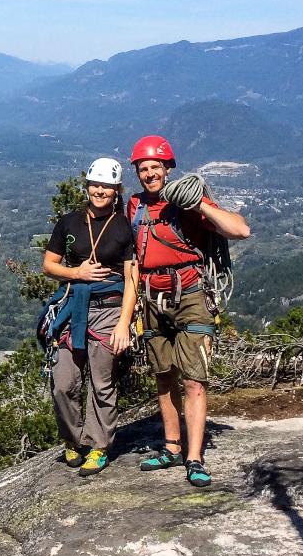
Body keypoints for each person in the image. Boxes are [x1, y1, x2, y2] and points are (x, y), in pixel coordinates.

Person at [127, 134, 250, 488]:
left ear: (167, 169)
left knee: (194, 379)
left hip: (191, 294)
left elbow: (240, 229)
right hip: (151, 297)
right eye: (143, 168)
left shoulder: (188, 203)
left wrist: (200, 205)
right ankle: (171, 446)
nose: (149, 174)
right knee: (163, 376)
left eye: (155, 167)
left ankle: (194, 457)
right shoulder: (133, 206)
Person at [40, 157, 137, 477]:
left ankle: (98, 446)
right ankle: (73, 440)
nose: (99, 191)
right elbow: (49, 265)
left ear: (116, 191)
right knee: (63, 382)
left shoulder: (124, 226)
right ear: (87, 187)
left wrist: (124, 323)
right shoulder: (69, 223)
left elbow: (132, 277)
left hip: (109, 308)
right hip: (73, 306)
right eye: (95, 185)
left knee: (102, 383)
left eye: (106, 187)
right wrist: (77, 272)